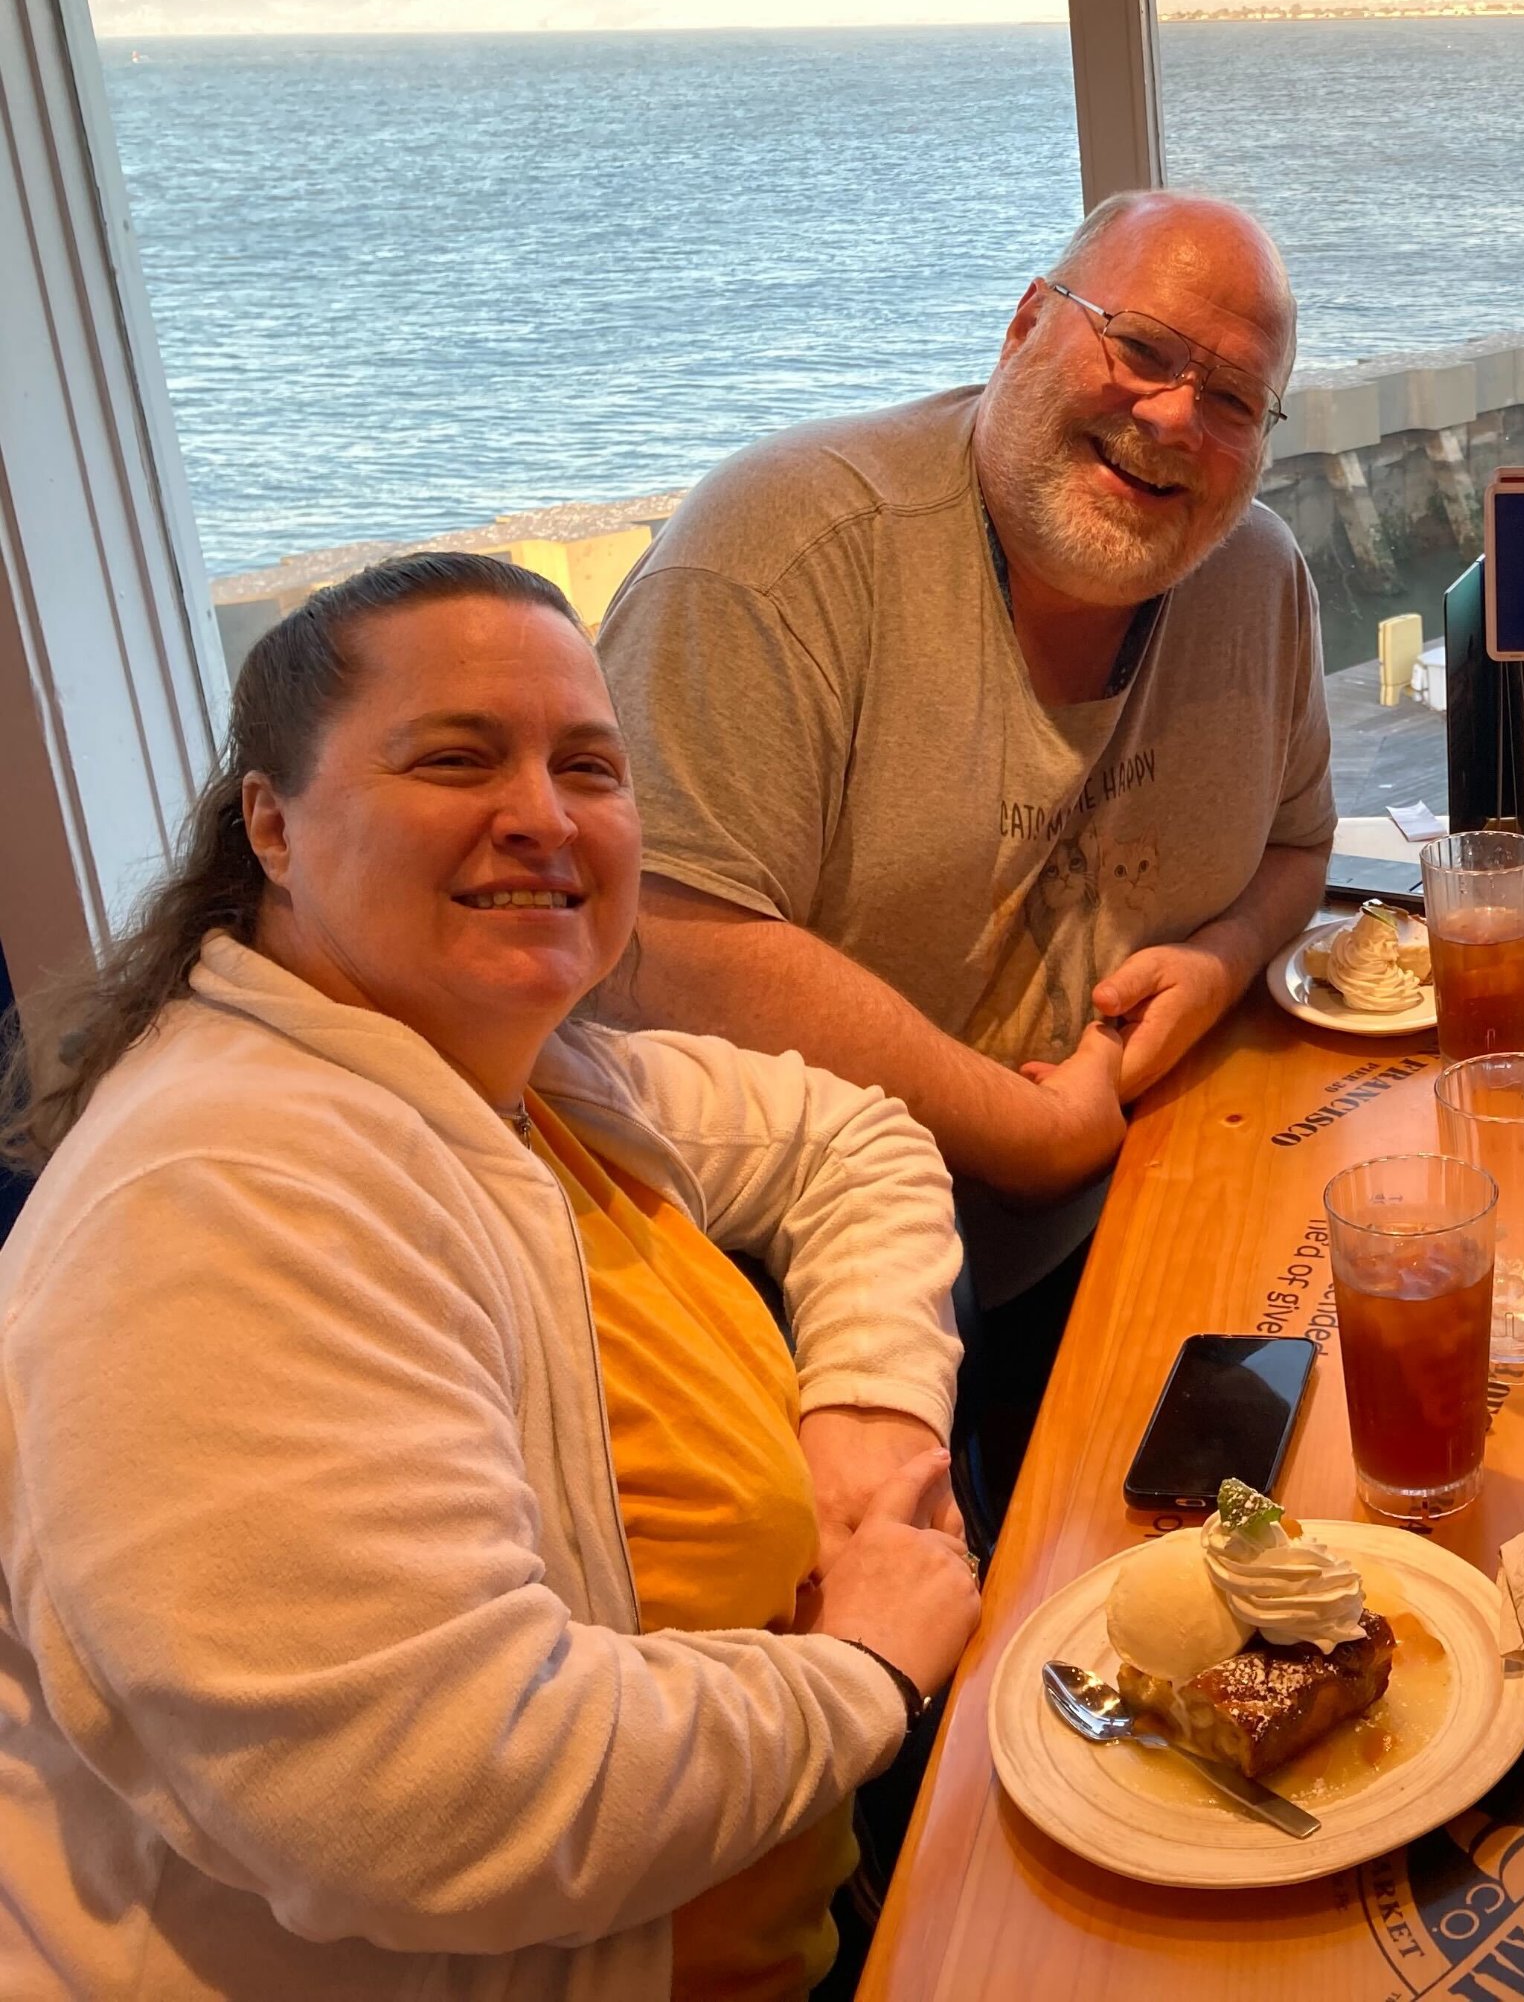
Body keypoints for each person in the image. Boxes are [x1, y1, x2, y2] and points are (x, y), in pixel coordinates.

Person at [0, 554, 985, 1998]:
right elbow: (424, 1797)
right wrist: (865, 1673)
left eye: (589, 766)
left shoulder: (521, 1074)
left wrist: (873, 1412)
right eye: (456, 759)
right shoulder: (221, 1199)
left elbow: (853, 1139)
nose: (545, 816)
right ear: (272, 824)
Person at [596, 191, 1336, 1515]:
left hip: (1125, 1200)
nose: (1176, 417)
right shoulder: (781, 550)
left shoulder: (1258, 576)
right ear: (1026, 324)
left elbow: (1298, 839)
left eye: (1232, 399)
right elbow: (669, 942)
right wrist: (1029, 1132)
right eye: (1142, 349)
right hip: (776, 1273)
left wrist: (1223, 961)